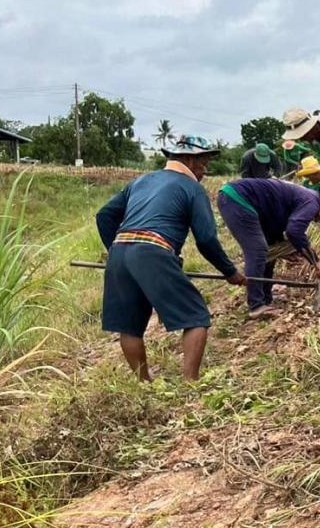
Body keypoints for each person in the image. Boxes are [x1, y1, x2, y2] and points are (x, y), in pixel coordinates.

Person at [95, 135, 245, 382]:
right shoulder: (192, 188)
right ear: (188, 159)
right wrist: (230, 272)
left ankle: (144, 384)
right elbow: (206, 239)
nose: (205, 170)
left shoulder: (141, 181)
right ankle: (190, 383)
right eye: (204, 163)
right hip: (153, 251)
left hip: (120, 251)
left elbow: (104, 216)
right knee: (196, 316)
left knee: (129, 325)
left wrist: (116, 250)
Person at [216, 178, 320, 319]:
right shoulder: (313, 202)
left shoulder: (305, 197)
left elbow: (280, 225)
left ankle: (265, 299)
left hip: (242, 200)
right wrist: (315, 261)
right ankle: (256, 305)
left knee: (270, 250)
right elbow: (294, 230)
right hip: (238, 199)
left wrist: (286, 250)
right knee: (258, 250)